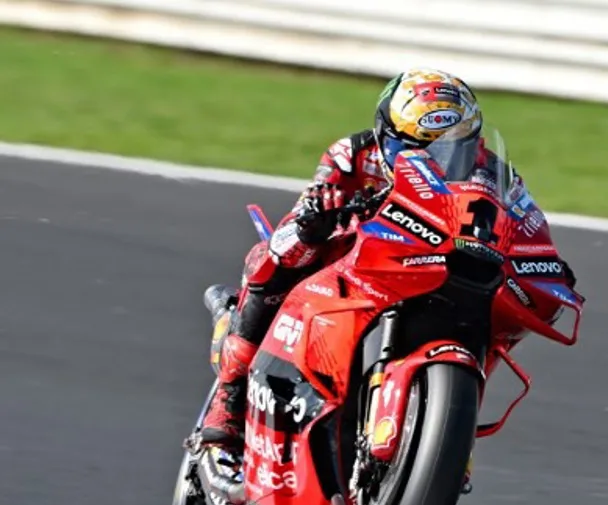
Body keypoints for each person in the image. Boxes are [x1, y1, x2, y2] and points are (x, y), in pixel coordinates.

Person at [197, 67, 493, 452]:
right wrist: (316, 221)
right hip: (354, 255)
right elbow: (301, 216)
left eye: (454, 149)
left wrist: (544, 260)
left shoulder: (491, 170)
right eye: (420, 149)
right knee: (273, 258)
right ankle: (230, 395)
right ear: (389, 137)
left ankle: (448, 433)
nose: (439, 162)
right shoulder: (352, 155)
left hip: (431, 265)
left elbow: (523, 219)